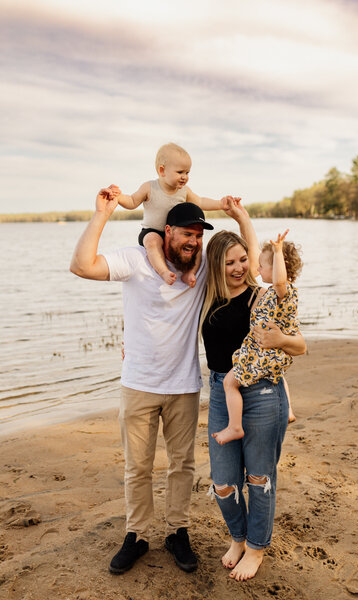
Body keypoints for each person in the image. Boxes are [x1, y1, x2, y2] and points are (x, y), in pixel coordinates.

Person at [69, 187, 252, 576]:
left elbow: (248, 267)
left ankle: (177, 532)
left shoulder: (202, 268)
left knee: (182, 465)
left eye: (199, 235)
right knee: (138, 466)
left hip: (184, 385)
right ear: (166, 232)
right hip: (137, 383)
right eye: (187, 233)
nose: (194, 241)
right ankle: (136, 535)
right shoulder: (136, 260)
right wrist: (102, 214)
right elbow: (82, 266)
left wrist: (241, 219)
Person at [200, 224, 306, 582]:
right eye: (229, 262)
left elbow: (301, 345)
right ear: (216, 265)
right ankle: (238, 537)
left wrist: (279, 339)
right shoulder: (205, 296)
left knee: (259, 478)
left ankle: (256, 548)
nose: (238, 268)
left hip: (261, 393)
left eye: (243, 259)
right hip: (221, 390)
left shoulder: (262, 297)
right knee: (224, 482)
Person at [212, 230, 302, 445]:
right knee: (277, 375)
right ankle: (288, 408)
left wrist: (278, 251)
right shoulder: (273, 293)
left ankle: (234, 426)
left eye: (262, 265)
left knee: (229, 382)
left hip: (261, 352)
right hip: (267, 352)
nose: (257, 269)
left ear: (279, 269)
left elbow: (280, 280)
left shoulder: (282, 290)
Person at [111, 142, 236, 287]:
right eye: (180, 172)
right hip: (153, 231)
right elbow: (132, 201)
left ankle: (190, 273)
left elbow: (200, 202)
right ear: (162, 170)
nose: (184, 177)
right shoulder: (150, 187)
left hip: (175, 234)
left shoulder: (184, 191)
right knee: (152, 242)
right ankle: (163, 271)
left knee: (196, 246)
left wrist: (220, 204)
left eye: (187, 172)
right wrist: (118, 197)